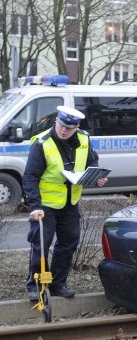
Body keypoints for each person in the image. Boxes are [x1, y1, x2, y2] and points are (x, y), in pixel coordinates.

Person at [22, 105, 108, 301]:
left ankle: (58, 283)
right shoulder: (42, 143)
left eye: (69, 128)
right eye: (61, 125)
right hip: (45, 204)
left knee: (69, 242)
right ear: (56, 121)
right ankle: (35, 285)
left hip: (70, 202)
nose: (63, 130)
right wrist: (34, 206)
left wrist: (96, 176)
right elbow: (29, 177)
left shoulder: (84, 139)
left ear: (76, 127)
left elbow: (91, 162)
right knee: (41, 244)